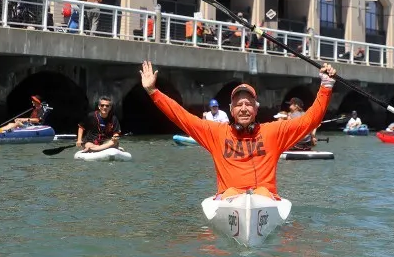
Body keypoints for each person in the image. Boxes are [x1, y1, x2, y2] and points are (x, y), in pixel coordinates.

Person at [141, 60, 336, 198]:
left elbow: (311, 120)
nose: (243, 108)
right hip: (228, 199)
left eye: (248, 103)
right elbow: (180, 115)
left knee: (261, 193)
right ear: (231, 111)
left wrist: (326, 86)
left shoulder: (274, 132)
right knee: (231, 193)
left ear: (256, 109)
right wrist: (153, 91)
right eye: (239, 104)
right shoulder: (215, 133)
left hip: (265, 200)